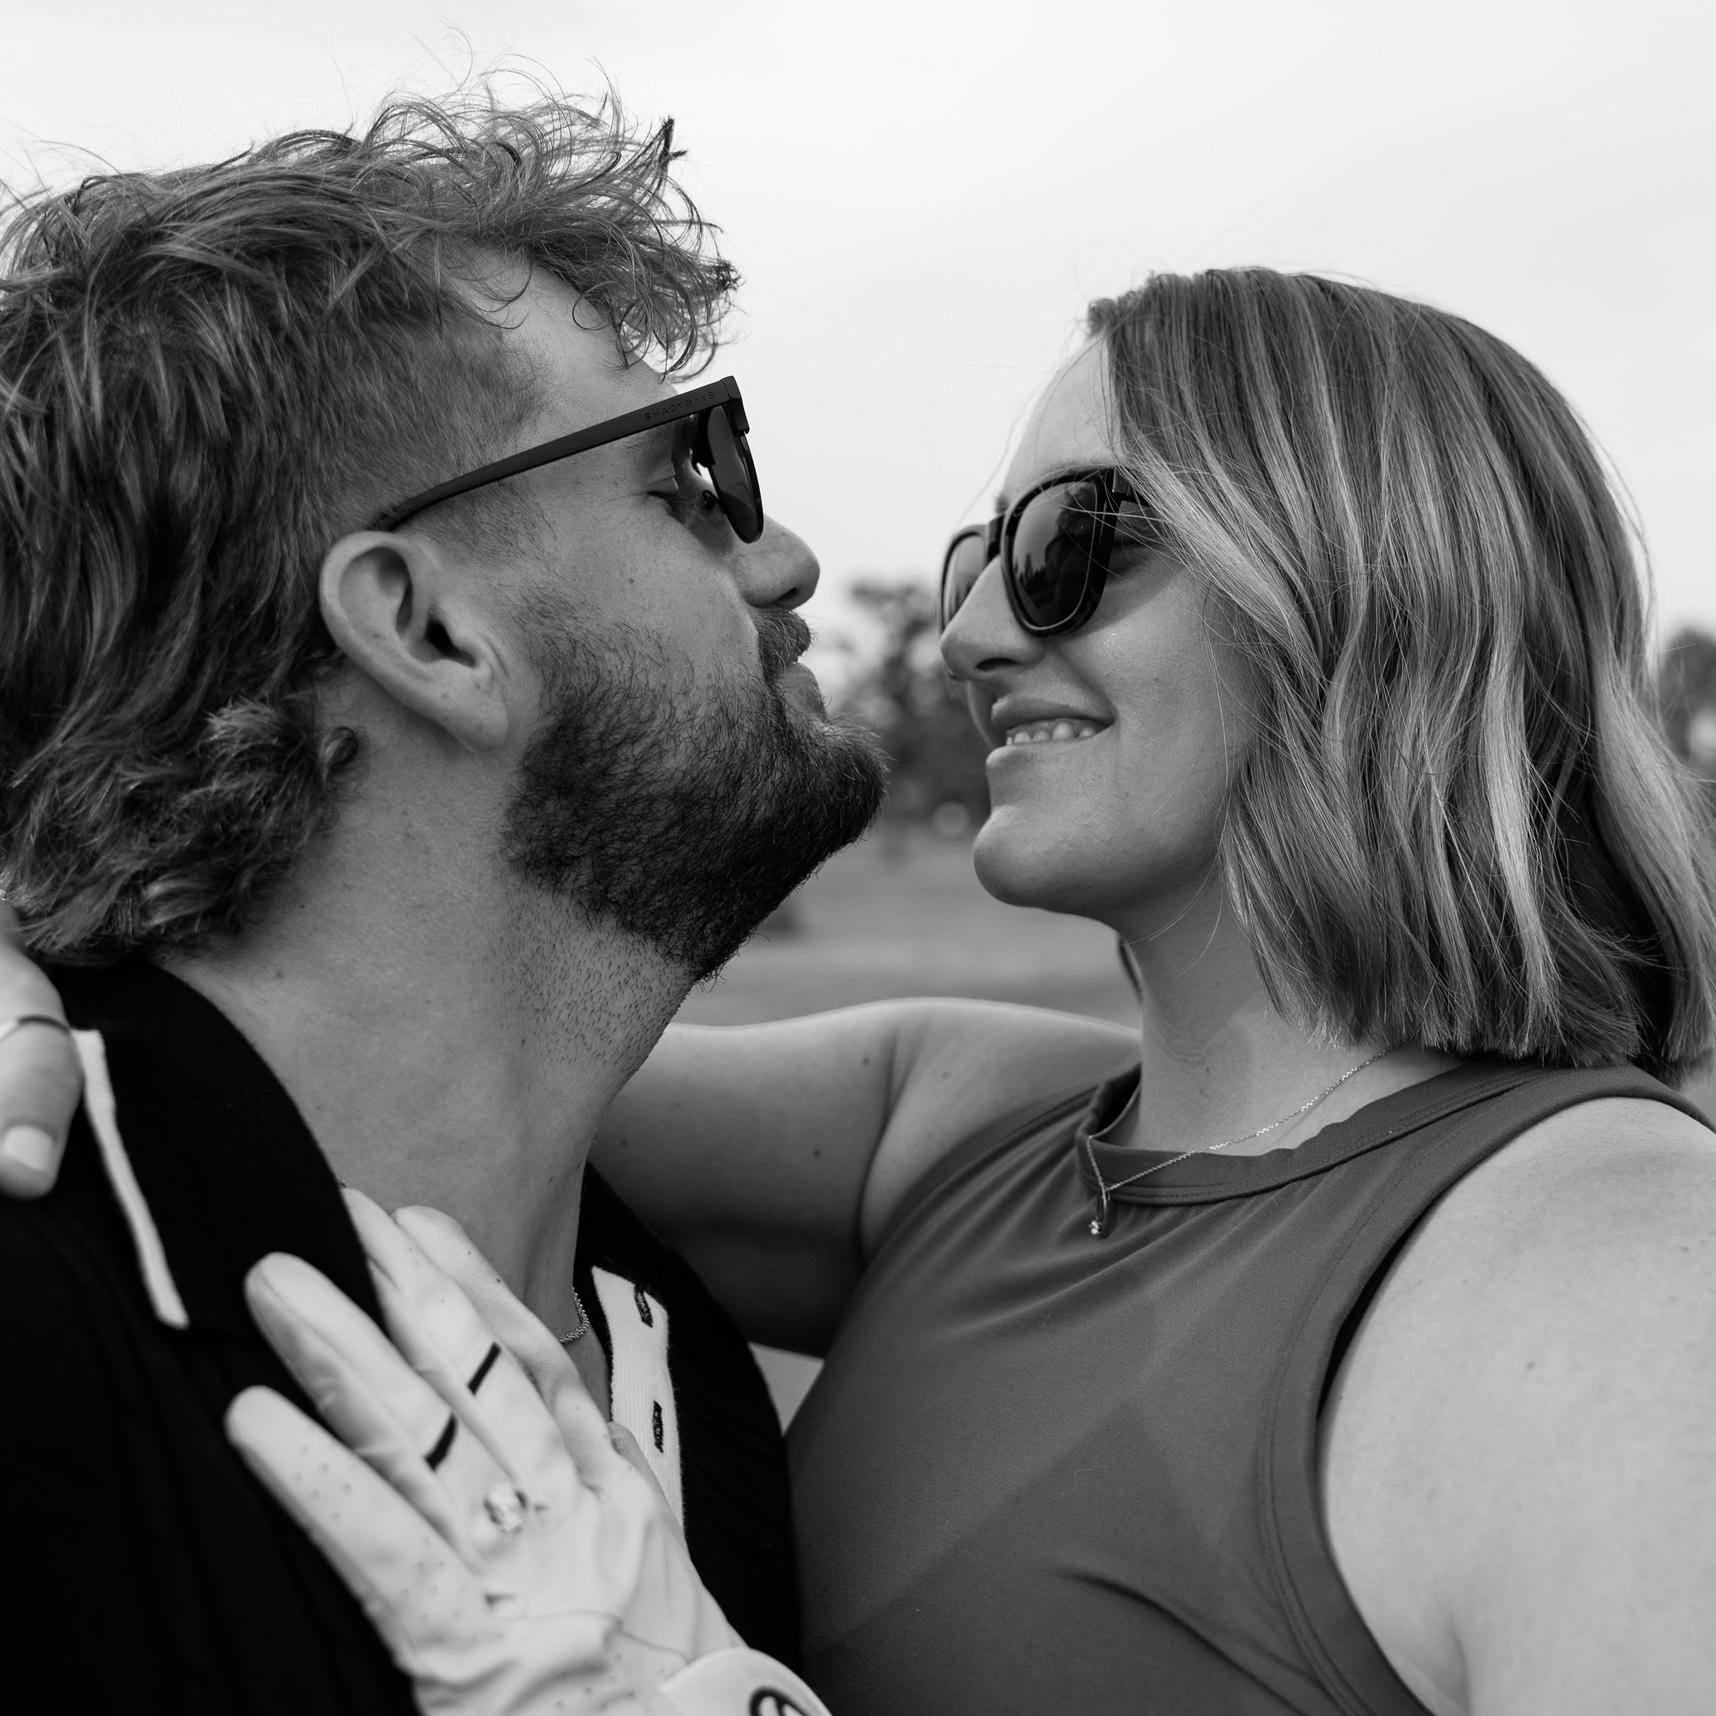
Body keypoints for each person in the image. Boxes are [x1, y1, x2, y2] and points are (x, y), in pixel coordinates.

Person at [7, 270, 1716, 1713]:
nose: (972, 635)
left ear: (1369, 579)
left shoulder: (1626, 1281)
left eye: (1068, 545)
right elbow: (368, 1039)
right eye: (980, 557)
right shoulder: (967, 1136)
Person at [0, 84, 885, 1711]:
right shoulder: (37, 1310)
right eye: (689, 477)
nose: (783, 561)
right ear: (427, 630)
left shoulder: (671, 1360)